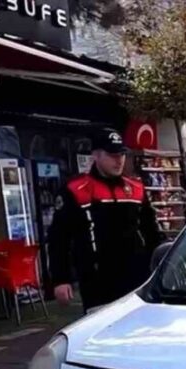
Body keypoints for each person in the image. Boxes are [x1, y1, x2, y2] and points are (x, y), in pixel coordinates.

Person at [49, 128, 164, 312]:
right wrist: (60, 279)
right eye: (112, 155)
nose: (119, 160)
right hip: (98, 282)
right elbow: (58, 238)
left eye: (122, 154)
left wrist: (162, 266)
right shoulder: (75, 190)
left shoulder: (136, 189)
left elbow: (152, 232)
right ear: (96, 155)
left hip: (137, 278)